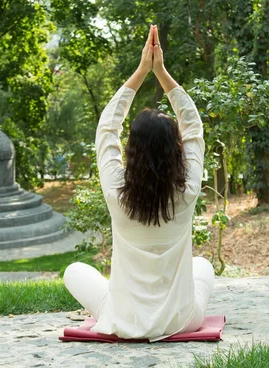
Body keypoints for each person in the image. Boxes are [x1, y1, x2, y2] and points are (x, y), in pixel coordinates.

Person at [63, 25, 214, 342]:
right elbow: (194, 126)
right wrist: (161, 72)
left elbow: (107, 129)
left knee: (74, 271)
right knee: (202, 266)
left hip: (124, 317)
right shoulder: (186, 189)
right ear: (176, 148)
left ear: (131, 148)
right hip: (182, 319)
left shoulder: (118, 191)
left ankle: (120, 307)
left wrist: (142, 70)